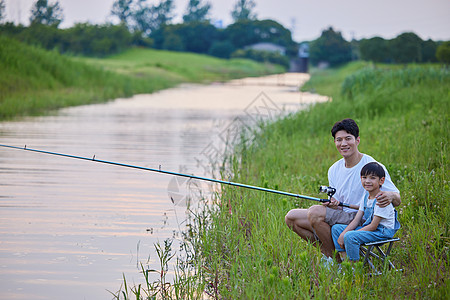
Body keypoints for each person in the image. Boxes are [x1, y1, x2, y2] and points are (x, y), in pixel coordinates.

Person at [284, 118, 401, 260]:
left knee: (315, 212)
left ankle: (335, 260)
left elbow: (397, 199)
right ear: (335, 143)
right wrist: (332, 203)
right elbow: (338, 206)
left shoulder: (372, 165)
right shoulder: (334, 169)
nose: (343, 144)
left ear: (357, 140)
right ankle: (331, 255)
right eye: (339, 140)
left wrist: (390, 196)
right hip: (345, 216)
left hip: (364, 218)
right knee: (291, 217)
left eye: (348, 138)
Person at [331, 162, 400, 261]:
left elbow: (373, 226)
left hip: (382, 232)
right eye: (364, 177)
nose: (367, 181)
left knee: (350, 236)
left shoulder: (381, 200)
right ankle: (345, 260)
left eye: (372, 178)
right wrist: (343, 233)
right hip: (372, 229)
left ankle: (354, 266)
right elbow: (356, 220)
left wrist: (348, 234)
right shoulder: (366, 197)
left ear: (381, 181)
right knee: (336, 228)